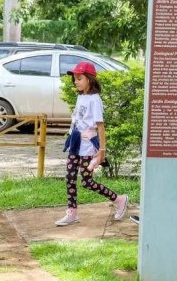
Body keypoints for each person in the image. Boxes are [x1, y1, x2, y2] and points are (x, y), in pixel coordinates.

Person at [55, 61, 128, 226]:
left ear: (89, 79)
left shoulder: (95, 100)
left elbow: (100, 127)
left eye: (79, 78)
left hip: (88, 145)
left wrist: (102, 150)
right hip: (76, 142)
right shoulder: (81, 96)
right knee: (70, 177)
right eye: (75, 78)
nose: (76, 81)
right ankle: (71, 213)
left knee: (87, 181)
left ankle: (119, 200)